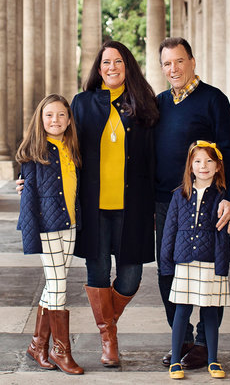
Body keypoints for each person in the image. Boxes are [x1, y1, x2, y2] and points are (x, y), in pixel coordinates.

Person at [70, 40, 160, 367]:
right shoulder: (81, 104)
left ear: (128, 67)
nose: (112, 68)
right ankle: (108, 339)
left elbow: (153, 157)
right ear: (98, 68)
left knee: (130, 278)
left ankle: (108, 322)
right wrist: (31, 171)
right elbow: (62, 144)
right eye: (106, 62)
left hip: (132, 206)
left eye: (118, 62)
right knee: (96, 271)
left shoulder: (144, 105)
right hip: (93, 208)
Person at [155, 37, 230, 370]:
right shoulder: (159, 103)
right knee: (167, 272)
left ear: (192, 61)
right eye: (167, 64)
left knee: (210, 271)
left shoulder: (213, 100)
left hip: (207, 202)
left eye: (179, 61)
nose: (173, 69)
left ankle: (205, 344)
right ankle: (185, 340)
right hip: (166, 202)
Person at [16, 94, 84, 375]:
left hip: (70, 225)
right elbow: (28, 199)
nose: (55, 120)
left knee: (54, 285)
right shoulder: (34, 153)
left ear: (69, 120)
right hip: (47, 228)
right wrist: (31, 237)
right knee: (58, 287)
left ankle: (37, 345)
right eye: (49, 115)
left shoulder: (72, 149)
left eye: (60, 115)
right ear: (40, 120)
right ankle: (61, 352)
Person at [160, 141, 230, 379]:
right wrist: (167, 262)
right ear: (190, 166)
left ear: (218, 167)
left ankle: (212, 360)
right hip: (184, 262)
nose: (204, 166)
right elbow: (169, 230)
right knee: (182, 310)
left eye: (209, 161)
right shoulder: (180, 195)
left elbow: (223, 236)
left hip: (210, 261)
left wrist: (223, 266)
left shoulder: (221, 198)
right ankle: (176, 363)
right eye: (198, 161)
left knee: (210, 311)